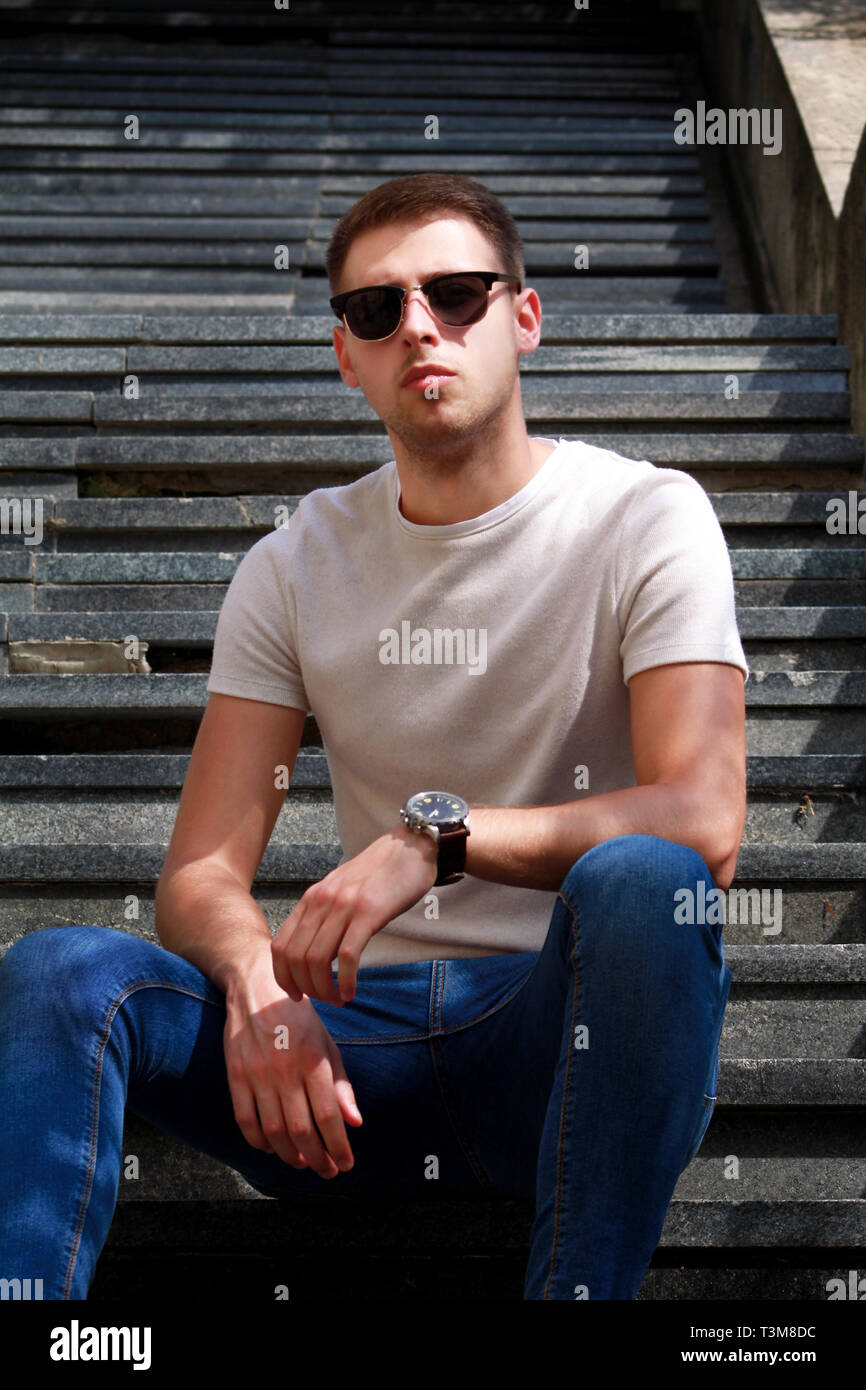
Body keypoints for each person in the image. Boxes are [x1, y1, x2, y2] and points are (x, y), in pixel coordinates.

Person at [0, 173, 748, 1301]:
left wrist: (431, 842)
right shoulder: (292, 563)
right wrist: (256, 990)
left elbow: (703, 818)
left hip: (559, 1045)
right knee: (60, 970)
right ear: (344, 354)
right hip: (342, 1063)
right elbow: (203, 870)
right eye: (375, 310)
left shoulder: (644, 516)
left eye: (455, 294)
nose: (419, 328)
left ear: (524, 319)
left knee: (649, 880)